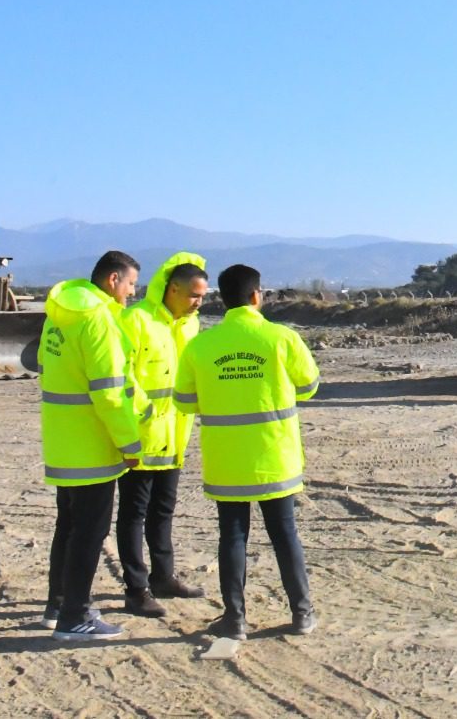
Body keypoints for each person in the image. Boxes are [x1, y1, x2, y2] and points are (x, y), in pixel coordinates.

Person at [175, 264, 319, 640]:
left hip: (227, 461)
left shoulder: (201, 346)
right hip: (275, 456)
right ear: (257, 295)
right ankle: (302, 613)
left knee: (232, 536)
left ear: (222, 299)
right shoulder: (281, 337)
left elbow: (185, 402)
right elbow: (309, 386)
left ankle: (235, 619)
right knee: (285, 534)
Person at [39, 250, 144, 642]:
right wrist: (130, 443)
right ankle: (75, 617)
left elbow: (44, 365)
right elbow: (110, 394)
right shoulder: (99, 320)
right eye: (131, 283)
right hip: (93, 445)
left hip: (63, 441)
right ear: (114, 279)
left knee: (68, 526)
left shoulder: (59, 313)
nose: (132, 293)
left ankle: (59, 604)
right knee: (90, 532)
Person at [116, 253, 209, 617]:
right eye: (193, 296)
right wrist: (147, 414)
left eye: (202, 296)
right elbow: (122, 376)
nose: (198, 303)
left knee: (163, 509)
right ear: (172, 289)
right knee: (134, 513)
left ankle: (163, 576)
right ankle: (136, 589)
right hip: (140, 437)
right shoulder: (135, 320)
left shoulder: (191, 325)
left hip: (175, 437)